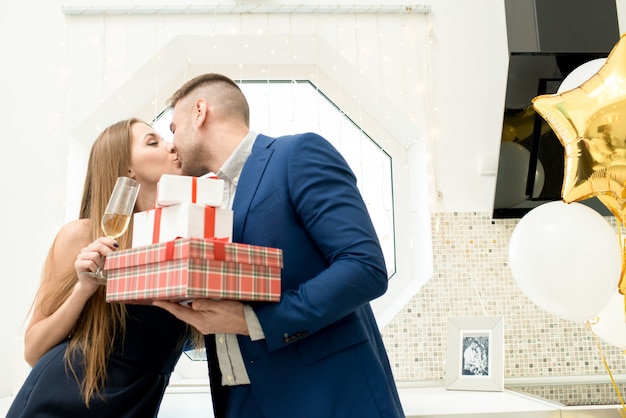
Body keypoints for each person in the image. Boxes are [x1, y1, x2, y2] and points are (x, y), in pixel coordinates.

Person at [152, 73, 405, 418]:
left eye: (173, 129)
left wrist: (250, 321)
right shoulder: (202, 203)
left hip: (325, 396)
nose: (172, 144)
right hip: (239, 401)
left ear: (200, 112)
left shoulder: (297, 154)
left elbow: (364, 268)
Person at [7, 118, 198, 417]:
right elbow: (33, 351)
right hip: (63, 400)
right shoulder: (83, 235)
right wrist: (83, 288)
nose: (171, 145)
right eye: (153, 142)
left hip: (136, 403)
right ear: (127, 169)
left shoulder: (189, 240)